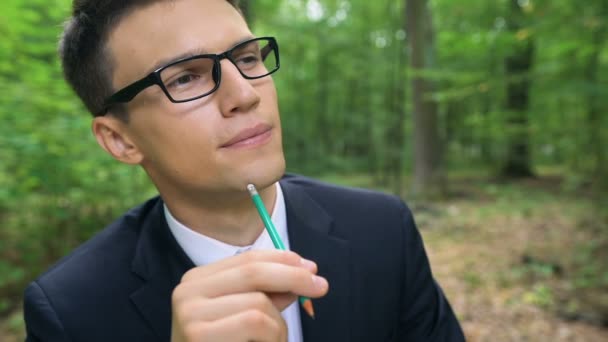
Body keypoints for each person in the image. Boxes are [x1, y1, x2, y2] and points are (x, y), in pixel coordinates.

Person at [23, 0, 465, 341]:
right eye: (185, 78)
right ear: (120, 139)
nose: (245, 94)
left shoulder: (383, 230)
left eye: (248, 57)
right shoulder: (71, 310)